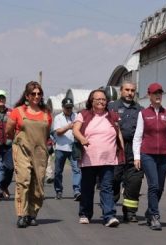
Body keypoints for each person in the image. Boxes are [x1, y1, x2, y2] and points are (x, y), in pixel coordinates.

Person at [73, 89, 123, 227]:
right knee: (87, 188)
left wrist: (122, 151)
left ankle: (109, 216)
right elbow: (75, 129)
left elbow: (118, 134)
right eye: (98, 99)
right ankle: (85, 214)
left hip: (108, 159)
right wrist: (82, 139)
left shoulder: (112, 116)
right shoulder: (83, 114)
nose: (101, 101)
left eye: (103, 99)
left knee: (107, 187)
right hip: (89, 158)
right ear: (91, 101)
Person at [6, 81, 52, 228]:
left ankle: (32, 214)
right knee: (23, 181)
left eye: (39, 93)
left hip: (40, 152)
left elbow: (47, 134)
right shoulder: (17, 112)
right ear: (27, 95)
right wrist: (18, 141)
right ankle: (22, 214)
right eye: (33, 93)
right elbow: (8, 131)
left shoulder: (46, 114)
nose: (36, 96)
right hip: (22, 150)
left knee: (38, 185)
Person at [132, 82, 166, 230]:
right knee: (154, 185)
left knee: (161, 188)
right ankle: (155, 216)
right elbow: (138, 136)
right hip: (147, 154)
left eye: (160, 93)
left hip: (163, 155)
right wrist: (137, 156)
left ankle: (150, 211)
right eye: (155, 93)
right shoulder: (143, 114)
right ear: (149, 96)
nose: (158, 95)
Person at [108, 81, 143, 223]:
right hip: (115, 149)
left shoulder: (141, 110)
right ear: (121, 91)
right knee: (114, 179)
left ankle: (130, 212)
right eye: (127, 90)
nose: (130, 93)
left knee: (134, 182)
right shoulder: (111, 107)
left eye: (132, 90)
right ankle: (111, 208)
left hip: (134, 150)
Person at [53, 97, 81, 201]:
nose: (69, 109)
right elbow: (58, 132)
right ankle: (58, 190)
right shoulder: (58, 118)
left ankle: (77, 191)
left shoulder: (77, 116)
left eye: (70, 107)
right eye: (67, 108)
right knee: (58, 171)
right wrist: (68, 127)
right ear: (63, 107)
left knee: (77, 170)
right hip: (61, 147)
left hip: (73, 147)